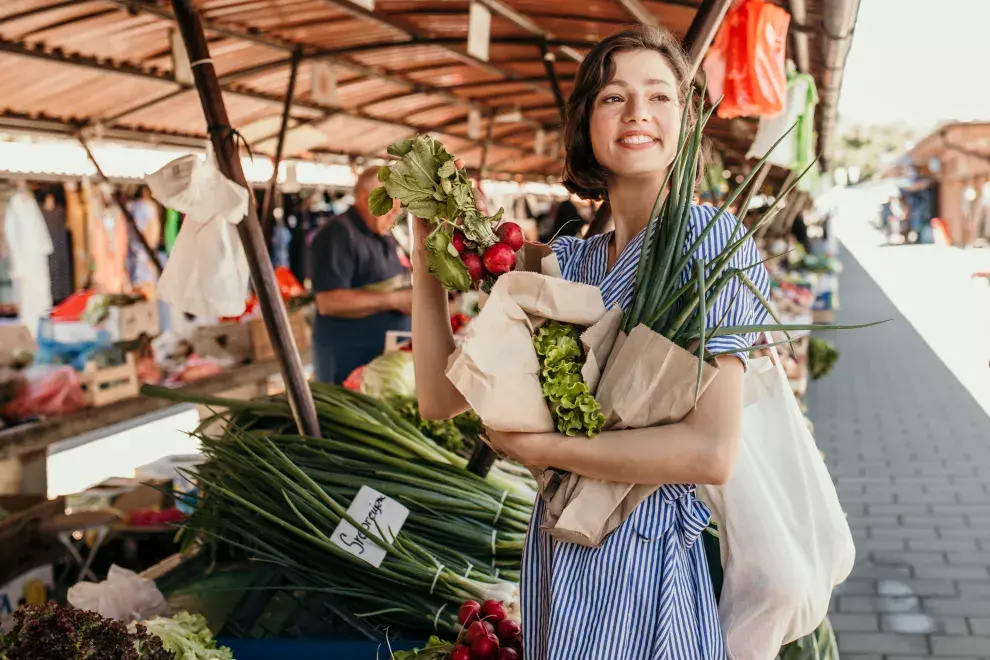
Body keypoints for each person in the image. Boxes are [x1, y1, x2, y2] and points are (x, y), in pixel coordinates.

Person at [411, 25, 769, 659]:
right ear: (586, 125)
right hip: (557, 560)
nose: (638, 113)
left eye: (660, 96)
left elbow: (709, 452)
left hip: (646, 575)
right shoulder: (567, 263)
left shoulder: (709, 244)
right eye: (613, 97)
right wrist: (425, 254)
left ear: (685, 122)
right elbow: (441, 397)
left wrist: (544, 448)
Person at [309, 167, 412, 384]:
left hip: (379, 362)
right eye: (390, 203)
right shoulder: (338, 234)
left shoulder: (383, 233)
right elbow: (329, 302)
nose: (396, 210)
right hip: (347, 362)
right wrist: (394, 300)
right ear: (367, 199)